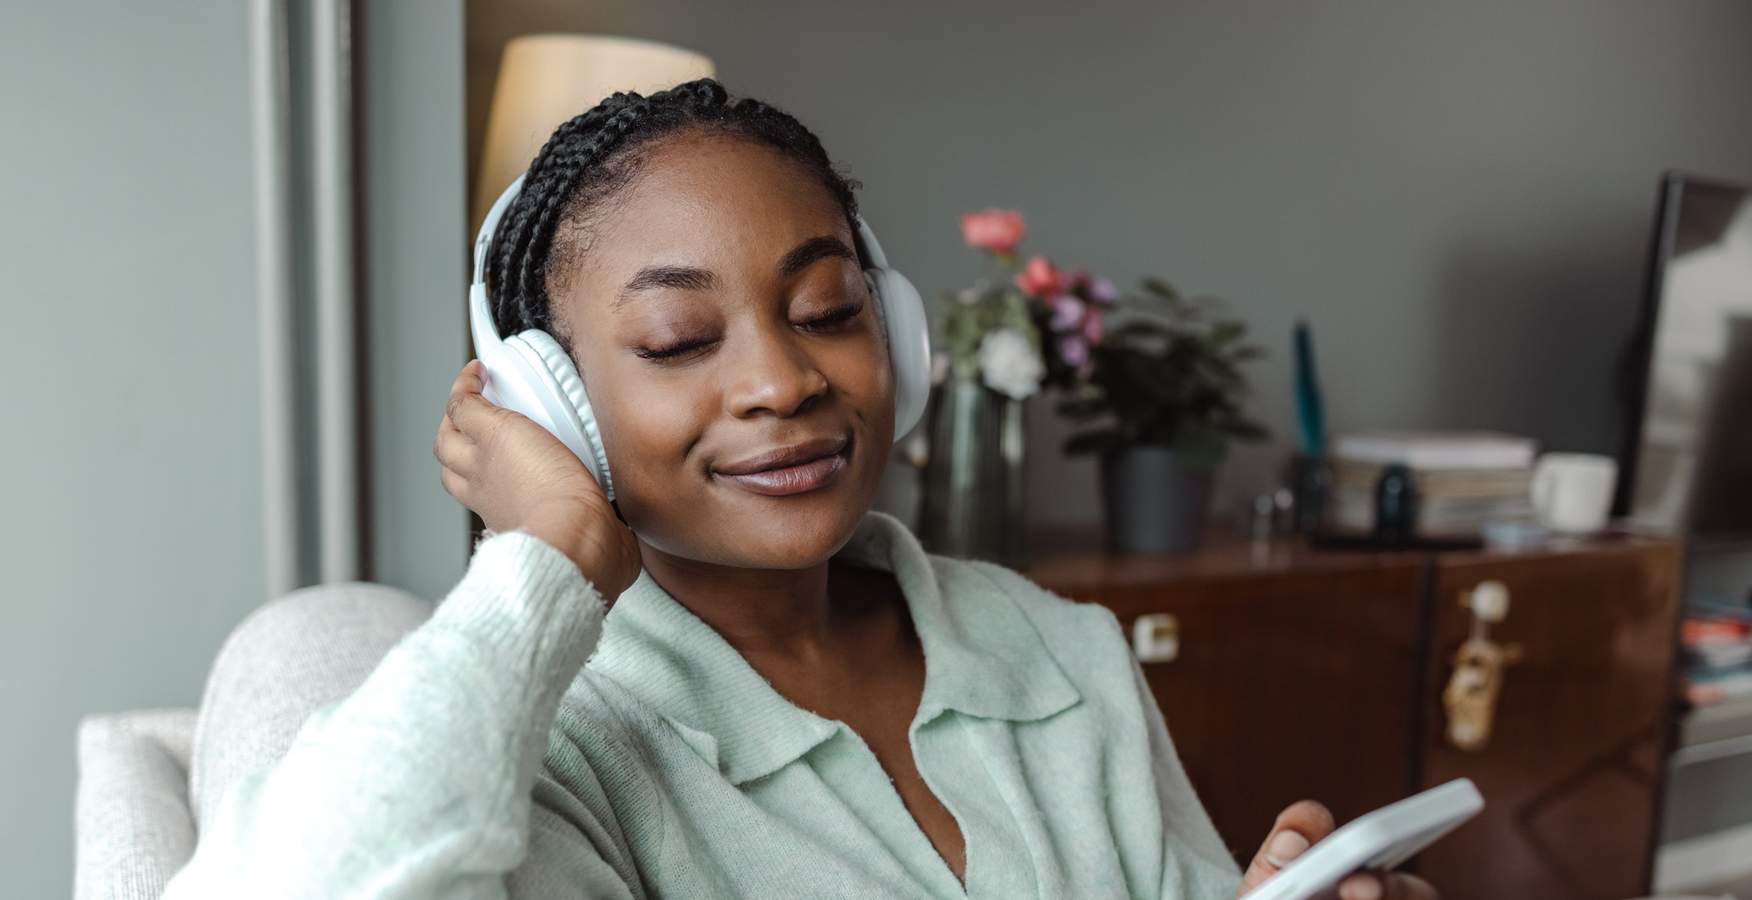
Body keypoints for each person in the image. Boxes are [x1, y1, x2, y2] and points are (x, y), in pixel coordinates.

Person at [164, 78, 1434, 899]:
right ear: (549, 402)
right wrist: (549, 543)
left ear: (901, 339)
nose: (783, 381)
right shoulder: (553, 745)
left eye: (826, 311)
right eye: (679, 341)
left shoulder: (1059, 650)